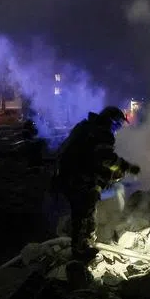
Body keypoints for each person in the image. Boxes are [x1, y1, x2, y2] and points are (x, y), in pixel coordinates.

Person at [54, 106, 140, 261]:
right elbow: (105, 157)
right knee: (84, 212)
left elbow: (89, 158)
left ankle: (81, 244)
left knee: (79, 212)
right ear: (112, 122)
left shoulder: (85, 127)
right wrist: (127, 167)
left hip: (66, 175)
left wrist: (105, 175)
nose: (119, 129)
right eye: (119, 125)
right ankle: (81, 250)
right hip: (78, 178)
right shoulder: (103, 133)